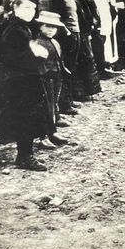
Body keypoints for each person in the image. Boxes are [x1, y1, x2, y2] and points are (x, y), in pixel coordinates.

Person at [0, 0, 49, 171]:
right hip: (20, 80)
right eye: (26, 7)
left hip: (22, 79)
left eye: (33, 8)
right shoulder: (15, 29)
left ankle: (25, 154)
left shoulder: (20, 26)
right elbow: (13, 57)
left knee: (27, 117)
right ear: (15, 7)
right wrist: (38, 55)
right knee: (26, 117)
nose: (31, 11)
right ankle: (25, 157)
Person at [34, 11, 70, 149]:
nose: (50, 29)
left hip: (56, 77)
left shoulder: (54, 42)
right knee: (45, 107)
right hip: (44, 78)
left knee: (53, 105)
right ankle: (42, 137)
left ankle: (52, 132)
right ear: (40, 26)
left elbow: (59, 60)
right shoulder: (37, 42)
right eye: (47, 26)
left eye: (54, 27)